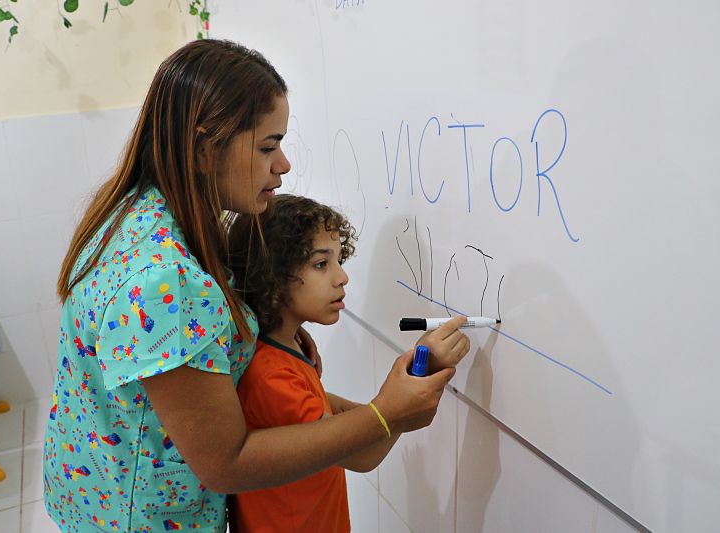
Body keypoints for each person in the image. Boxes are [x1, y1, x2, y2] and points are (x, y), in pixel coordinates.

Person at [43, 39, 470, 533]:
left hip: (95, 491)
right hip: (143, 519)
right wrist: (383, 415)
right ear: (205, 148)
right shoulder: (163, 278)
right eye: (268, 146)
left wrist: (260, 331)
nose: (283, 164)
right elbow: (227, 461)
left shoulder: (138, 213)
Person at [227, 194, 425, 532]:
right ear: (272, 276)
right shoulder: (270, 376)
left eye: (338, 260)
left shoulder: (284, 348)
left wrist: (384, 409)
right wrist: (405, 404)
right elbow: (362, 456)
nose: (342, 277)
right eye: (322, 264)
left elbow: (327, 412)